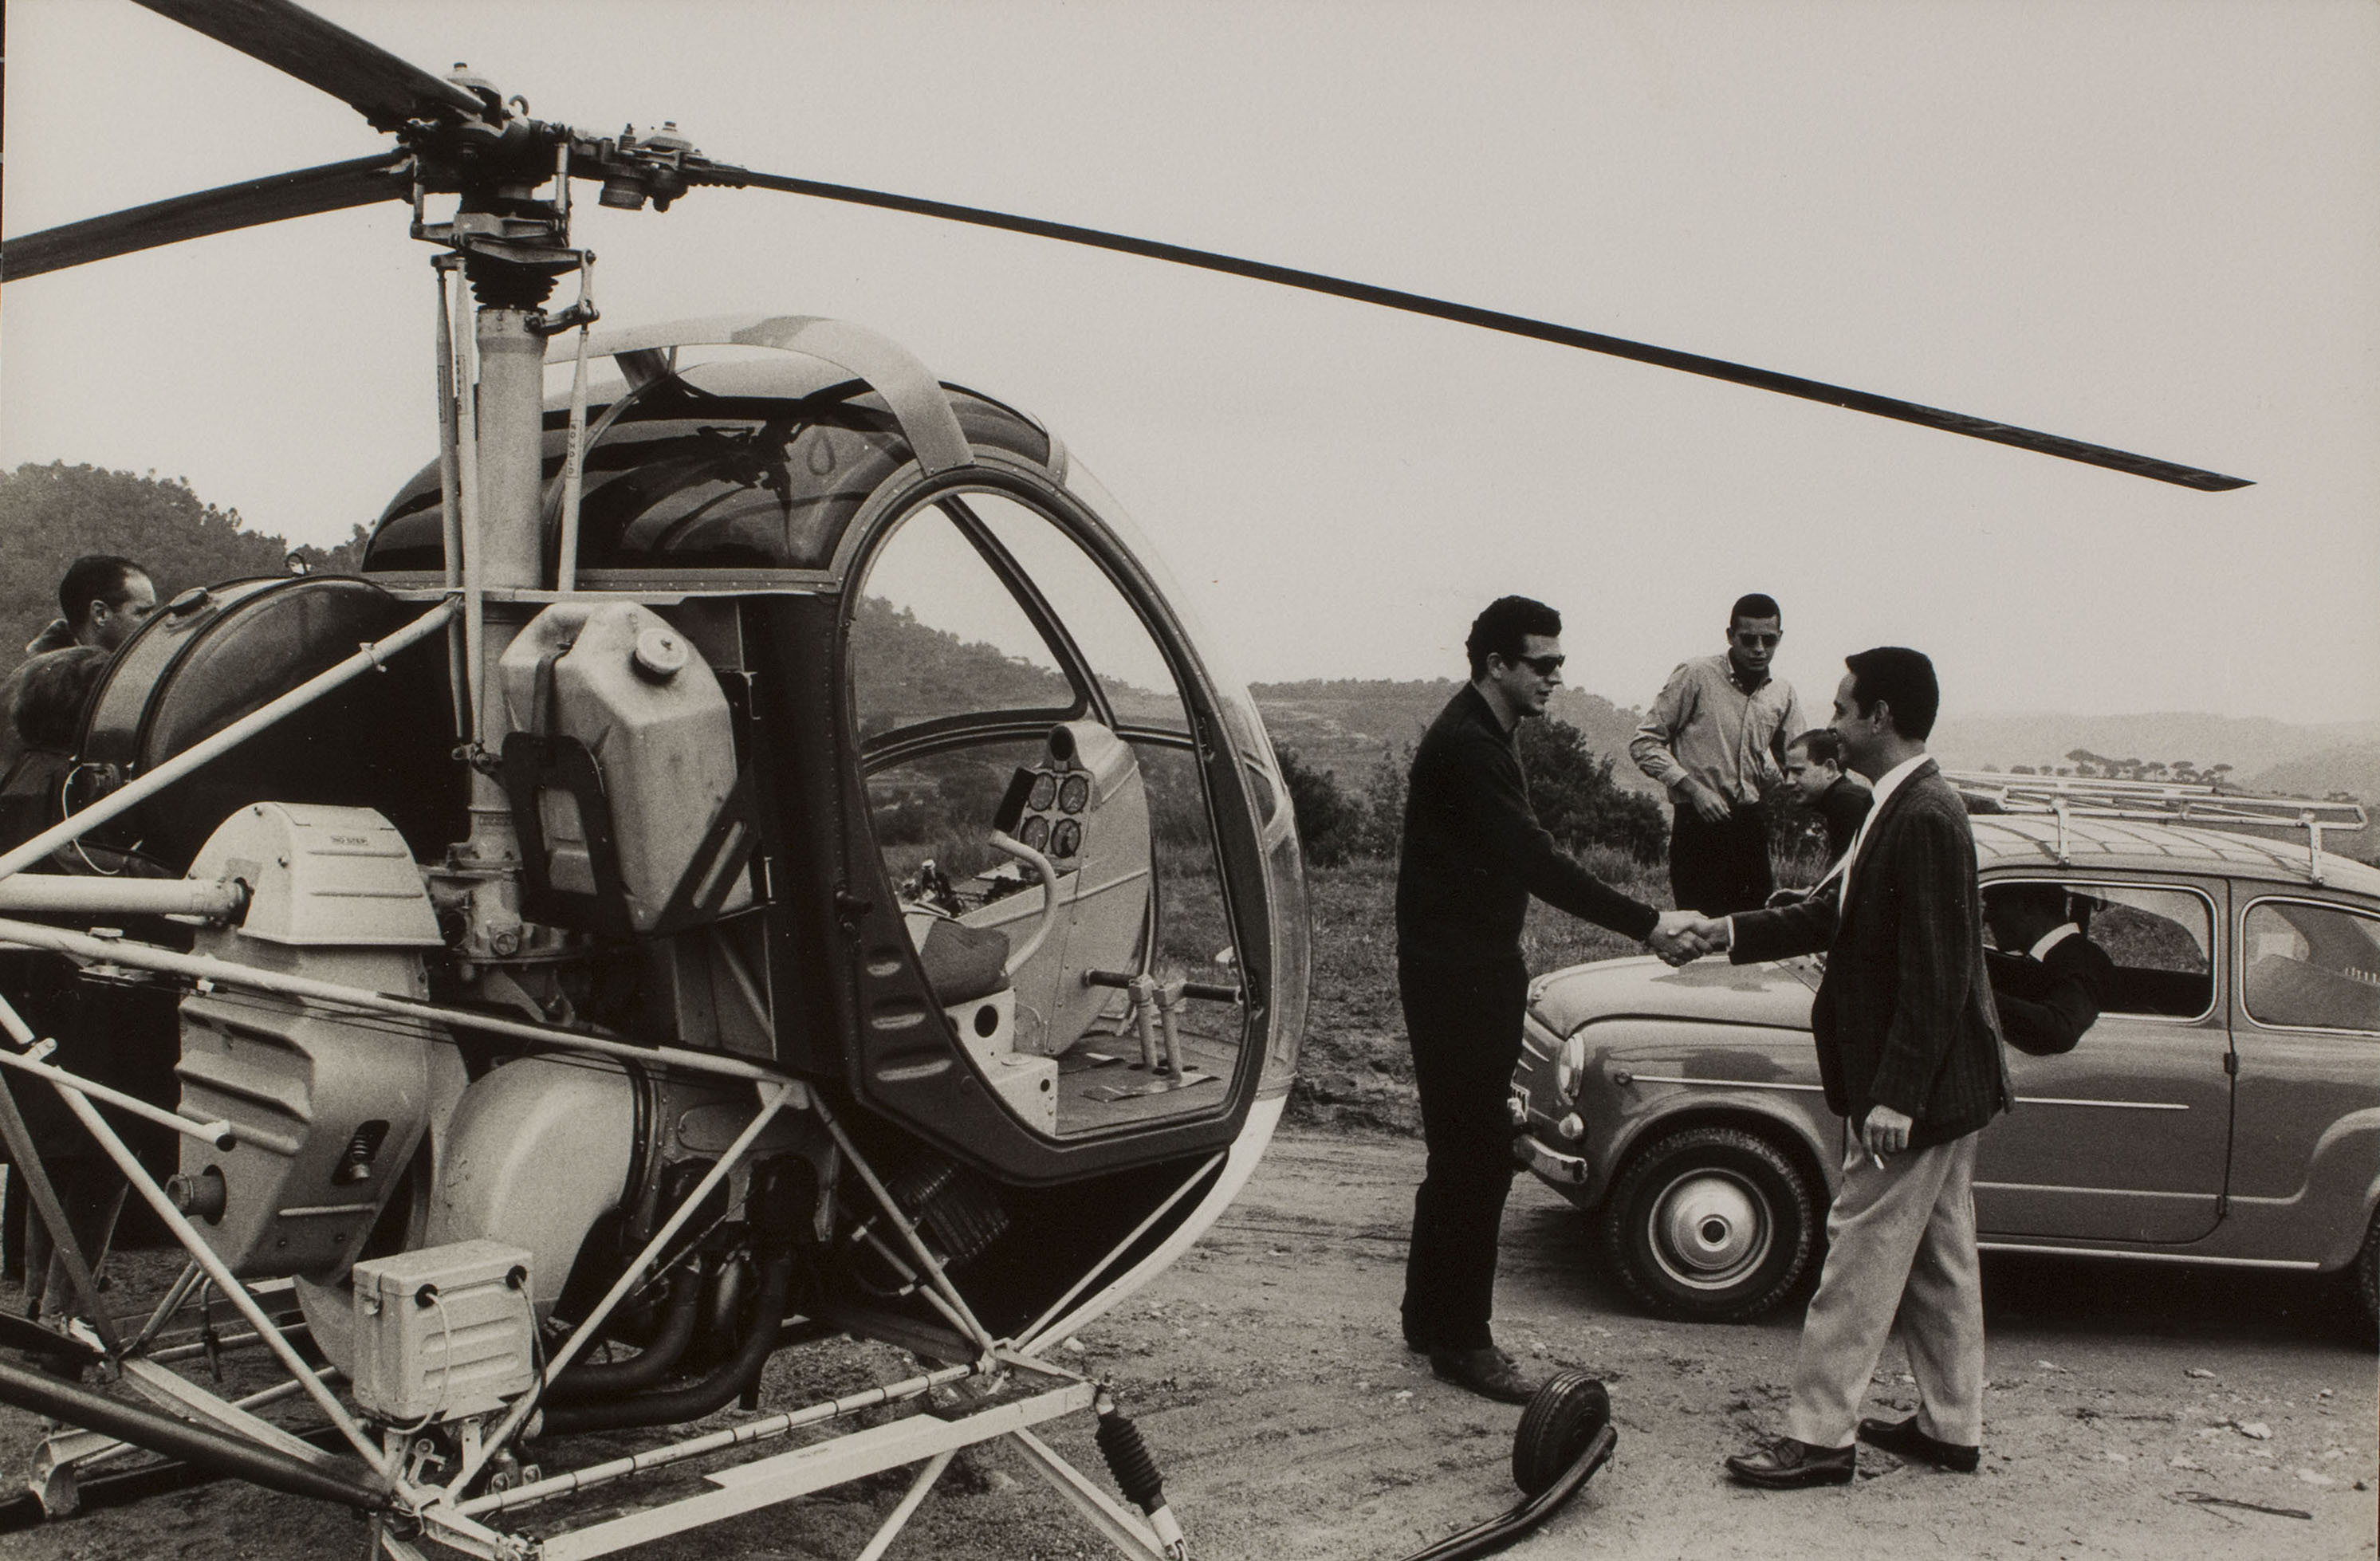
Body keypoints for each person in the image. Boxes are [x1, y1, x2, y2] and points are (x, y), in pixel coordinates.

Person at [1670, 647, 2010, 1488]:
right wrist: (1727, 930)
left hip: (1917, 1090)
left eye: (1843, 705)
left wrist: (1895, 1092)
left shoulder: (1923, 814)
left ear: (1882, 715)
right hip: (1948, 1084)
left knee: (1859, 1255)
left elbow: (1937, 971)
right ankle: (1950, 1425)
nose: (1831, 717)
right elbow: (1835, 912)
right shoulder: (1901, 805)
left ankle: (1820, 1436)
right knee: (1940, 1257)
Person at [1397, 596, 1699, 1403]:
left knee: (1457, 1155)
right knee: (1477, 1157)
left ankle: (1430, 1318)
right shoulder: (1472, 745)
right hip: (1461, 975)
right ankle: (1465, 1340)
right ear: (1497, 662)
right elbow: (1538, 859)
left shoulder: (1480, 732)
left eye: (1558, 664)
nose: (1556, 678)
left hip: (1455, 969)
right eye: (1542, 664)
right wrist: (1649, 922)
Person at [1630, 592, 1807, 917]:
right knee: (1702, 937)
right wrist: (1695, 791)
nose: (1759, 649)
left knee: (1754, 936)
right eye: (1748, 639)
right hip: (1698, 829)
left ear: (1780, 638)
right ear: (1730, 636)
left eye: (1768, 640)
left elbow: (1797, 759)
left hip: (1750, 829)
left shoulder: (1783, 692)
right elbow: (1644, 743)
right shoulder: (1696, 675)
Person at [0, 555, 155, 774]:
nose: (154, 623)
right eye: (142, 612)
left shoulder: (35, 682)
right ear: (100, 614)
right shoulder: (34, 695)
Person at [1983, 883, 2113, 1057]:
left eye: (1993, 905)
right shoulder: (2059, 956)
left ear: (2026, 907)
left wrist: (1980, 996)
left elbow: (2061, 1032)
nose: (1986, 917)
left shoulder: (2078, 959)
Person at [1783, 727, 1871, 867]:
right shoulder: (1842, 798)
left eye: (1798, 771)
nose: (1788, 781)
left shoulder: (1846, 803)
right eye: (1787, 772)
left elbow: (1854, 873)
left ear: (1829, 768)